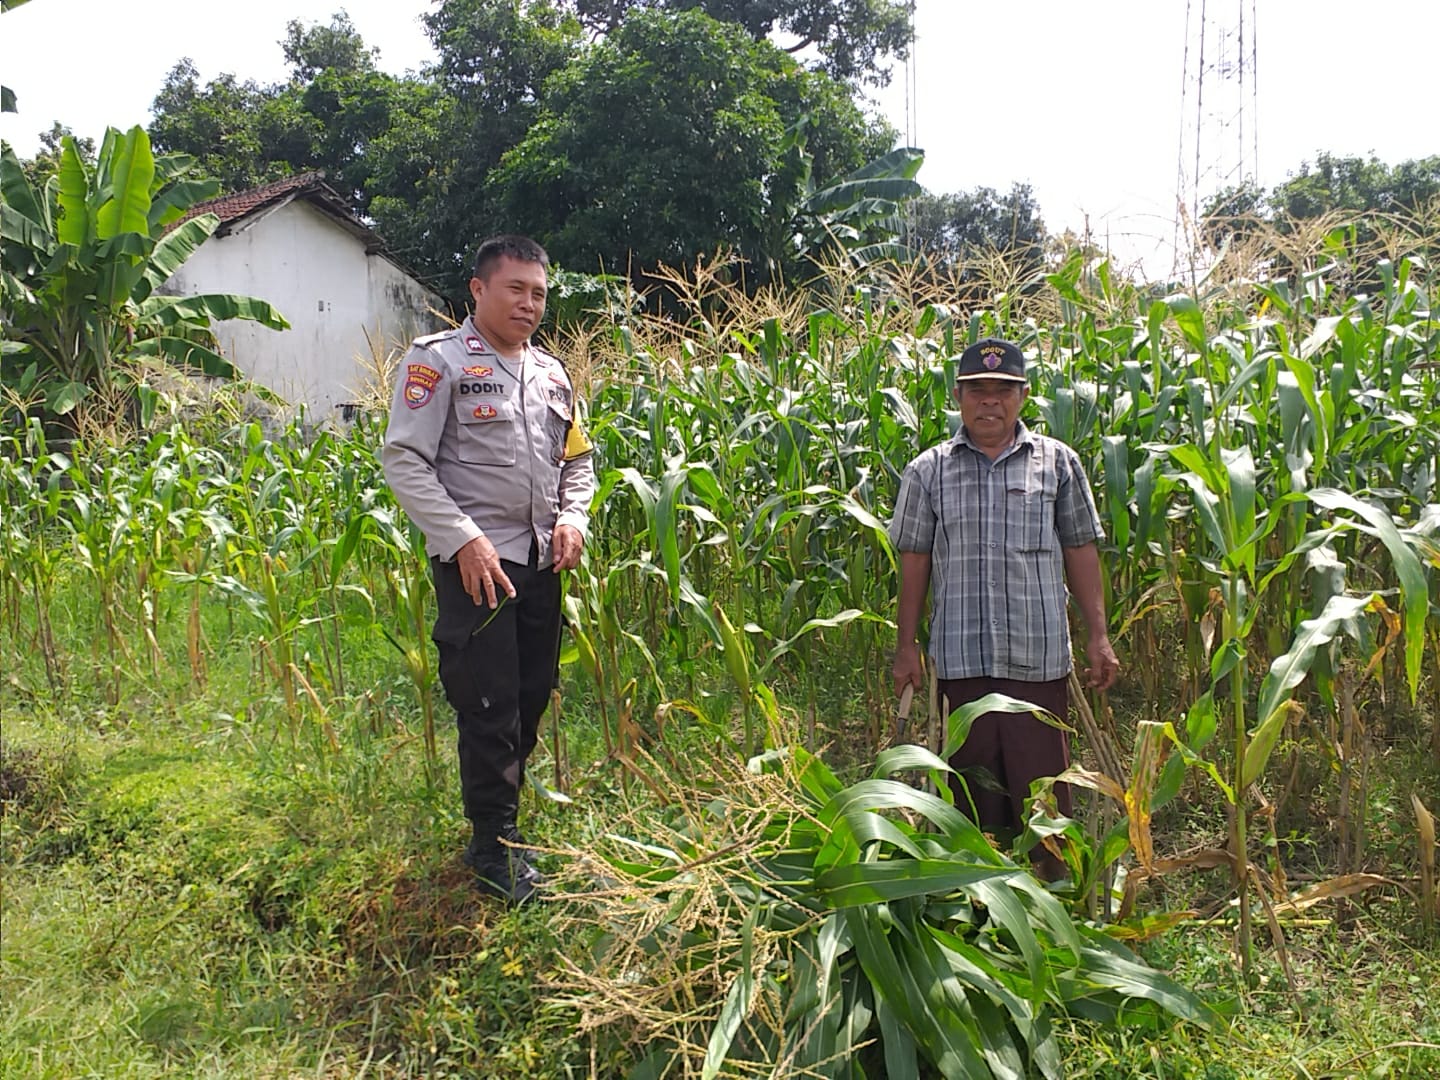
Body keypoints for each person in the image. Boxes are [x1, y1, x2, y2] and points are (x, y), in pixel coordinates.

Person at [382, 235, 595, 903]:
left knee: (530, 697)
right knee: (489, 705)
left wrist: (574, 517)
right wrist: (463, 538)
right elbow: (405, 460)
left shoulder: (553, 375)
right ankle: (493, 848)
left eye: (538, 293)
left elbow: (578, 461)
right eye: (516, 289)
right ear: (479, 290)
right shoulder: (437, 363)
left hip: (540, 560)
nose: (529, 304)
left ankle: (506, 827)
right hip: (480, 566)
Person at [889, 337, 1118, 876]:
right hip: (962, 665)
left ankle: (1053, 901)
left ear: (1022, 397)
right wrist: (906, 647)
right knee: (970, 802)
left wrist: (1098, 635)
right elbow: (914, 560)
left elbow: (1080, 547)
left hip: (1036, 663)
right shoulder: (929, 471)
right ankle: (979, 902)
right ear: (958, 396)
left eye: (1001, 391)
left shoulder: (1058, 464)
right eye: (977, 392)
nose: (989, 402)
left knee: (1043, 800)